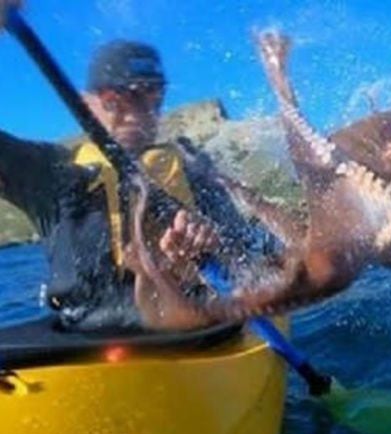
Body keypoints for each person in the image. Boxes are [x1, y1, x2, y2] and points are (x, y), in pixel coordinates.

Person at [0, 2, 255, 332]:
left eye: (151, 95)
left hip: (191, 328)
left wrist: (209, 250)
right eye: (115, 99)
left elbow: (249, 260)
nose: (137, 111)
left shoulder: (194, 175)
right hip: (82, 334)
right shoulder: (49, 172)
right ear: (88, 102)